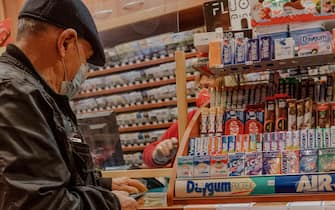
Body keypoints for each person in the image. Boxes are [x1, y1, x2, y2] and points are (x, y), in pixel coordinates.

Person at [0, 0, 144, 209]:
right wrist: (109, 204)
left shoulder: (34, 91)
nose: (81, 71)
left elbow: (52, 174)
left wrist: (104, 185)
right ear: (66, 42)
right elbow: (38, 203)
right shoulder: (14, 92)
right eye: (84, 59)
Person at [143, 76, 213, 168]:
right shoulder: (192, 118)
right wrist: (159, 156)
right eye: (200, 88)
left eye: (207, 87)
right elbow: (149, 152)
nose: (203, 93)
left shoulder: (233, 120)